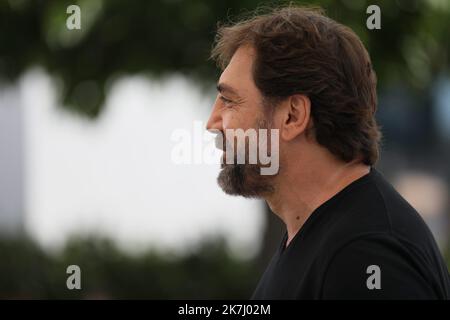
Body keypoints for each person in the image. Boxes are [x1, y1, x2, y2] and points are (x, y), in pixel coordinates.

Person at [206, 6, 450, 299]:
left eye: (230, 101)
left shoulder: (366, 254)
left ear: (293, 116)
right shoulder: (319, 234)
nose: (212, 122)